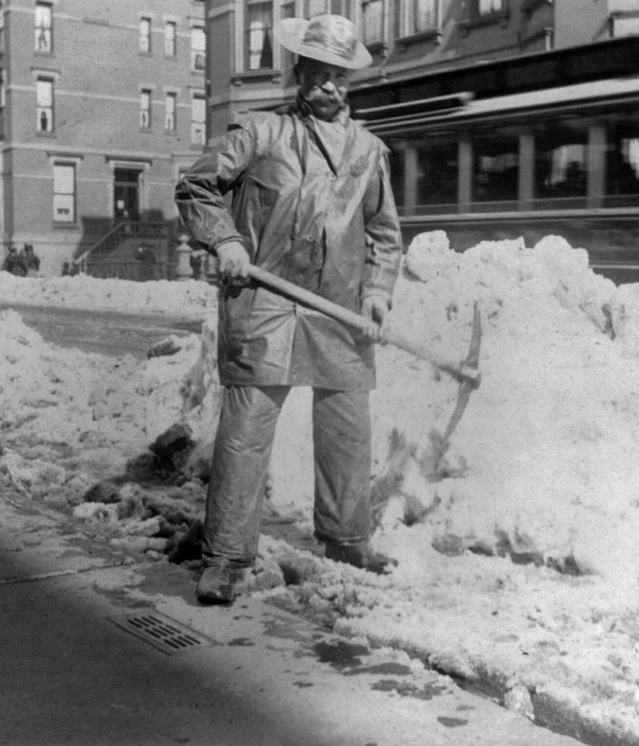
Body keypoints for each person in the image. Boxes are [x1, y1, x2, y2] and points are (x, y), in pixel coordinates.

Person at [175, 14, 403, 605]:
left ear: (350, 82)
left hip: (339, 310)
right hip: (265, 303)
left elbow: (383, 235)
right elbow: (196, 187)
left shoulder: (369, 152)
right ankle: (226, 556)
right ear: (299, 71)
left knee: (347, 429)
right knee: (247, 431)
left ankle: (346, 539)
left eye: (339, 76)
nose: (329, 85)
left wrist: (377, 293)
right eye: (318, 72)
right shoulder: (260, 133)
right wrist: (225, 241)